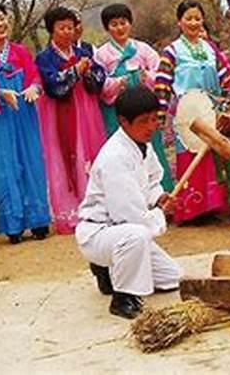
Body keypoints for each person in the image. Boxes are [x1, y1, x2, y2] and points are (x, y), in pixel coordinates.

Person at [76, 85, 182, 319]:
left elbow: (153, 179)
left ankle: (106, 270)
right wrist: (161, 214)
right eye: (144, 121)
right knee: (137, 235)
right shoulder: (114, 157)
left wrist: (159, 197)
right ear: (124, 122)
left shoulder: (142, 144)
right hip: (100, 232)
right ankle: (123, 298)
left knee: (172, 277)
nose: (151, 127)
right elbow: (130, 216)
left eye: (154, 119)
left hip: (122, 231)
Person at [155, 0, 230, 224]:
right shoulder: (172, 51)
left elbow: (225, 76)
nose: (193, 22)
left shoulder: (210, 49)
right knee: (191, 155)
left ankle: (212, 207)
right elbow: (162, 83)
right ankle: (191, 210)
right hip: (187, 111)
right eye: (188, 18)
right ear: (179, 22)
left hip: (212, 108)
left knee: (212, 156)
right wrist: (160, 114)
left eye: (197, 18)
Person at [0, 1, 50, 244]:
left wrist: (34, 87)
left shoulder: (20, 51)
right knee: (3, 166)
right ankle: (12, 223)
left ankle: (38, 219)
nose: (1, 23)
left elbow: (34, 75)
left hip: (24, 114)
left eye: (3, 18)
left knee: (31, 161)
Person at [36, 6, 106, 235]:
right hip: (61, 114)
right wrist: (75, 71)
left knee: (92, 153)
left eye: (70, 27)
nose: (67, 32)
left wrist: (87, 72)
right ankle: (70, 212)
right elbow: (53, 85)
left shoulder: (84, 50)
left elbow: (99, 76)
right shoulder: (45, 58)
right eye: (61, 27)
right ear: (51, 30)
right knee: (65, 158)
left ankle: (97, 209)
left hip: (87, 110)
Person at [94, 3, 174, 192]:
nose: (120, 28)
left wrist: (146, 77)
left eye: (123, 23)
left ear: (130, 23)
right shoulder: (101, 54)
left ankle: (160, 192)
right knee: (123, 150)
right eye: (114, 24)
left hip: (144, 108)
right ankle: (128, 192)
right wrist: (120, 82)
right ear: (107, 28)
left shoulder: (143, 49)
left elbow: (160, 73)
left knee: (151, 148)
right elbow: (100, 84)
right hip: (117, 112)